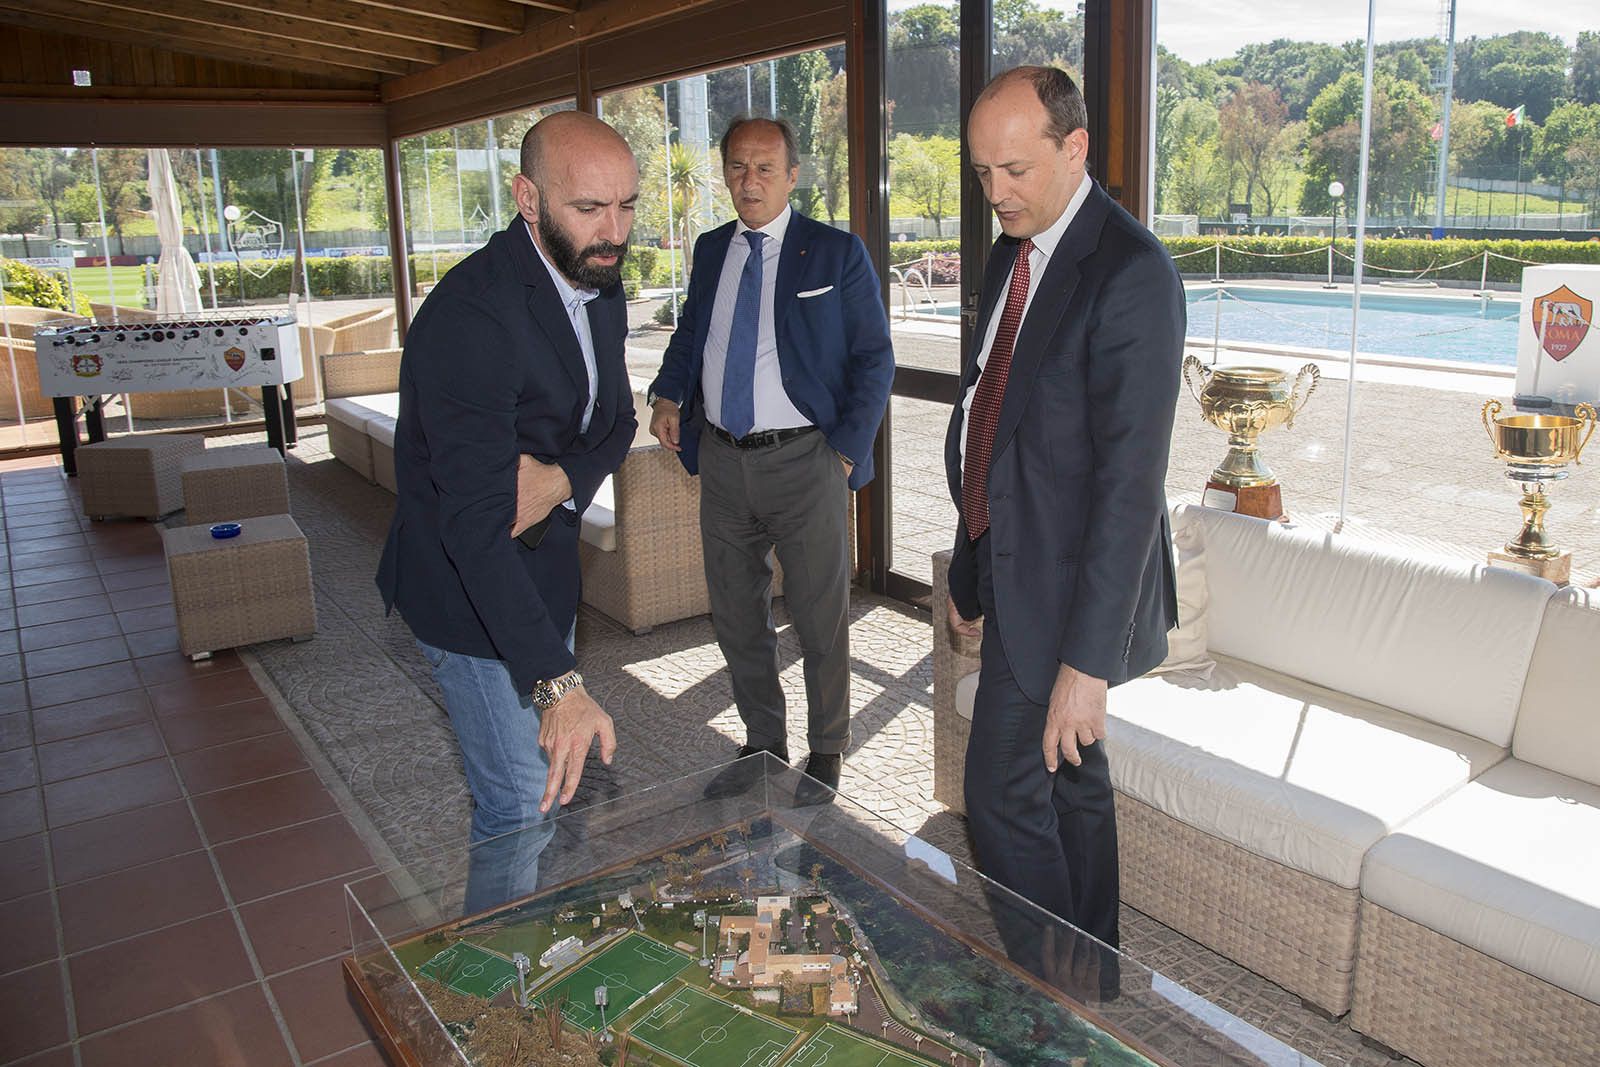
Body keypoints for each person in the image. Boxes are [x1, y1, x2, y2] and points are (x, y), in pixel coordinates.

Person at [945, 66, 1184, 950]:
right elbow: (992, 415)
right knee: (1071, 778)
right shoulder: (1013, 248)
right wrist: (969, 566)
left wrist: (1087, 665)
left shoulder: (1133, 272)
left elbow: (1130, 485)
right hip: (1011, 564)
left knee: (1000, 795)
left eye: (1015, 170)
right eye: (983, 173)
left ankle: (1045, 999)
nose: (996, 193)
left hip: (1070, 592)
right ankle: (1092, 975)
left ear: (1075, 147)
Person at [376, 112, 638, 911]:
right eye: (589, 208)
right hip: (466, 589)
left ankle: (526, 938)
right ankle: (491, 975)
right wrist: (558, 684)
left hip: (543, 566)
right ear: (528, 198)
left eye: (627, 205)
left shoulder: (598, 278)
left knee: (542, 795)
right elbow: (473, 529)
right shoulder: (472, 319)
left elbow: (617, 422)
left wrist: (559, 481)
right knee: (520, 805)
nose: (614, 231)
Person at [648, 116, 894, 802]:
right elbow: (692, 334)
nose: (749, 181)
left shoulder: (836, 252)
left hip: (807, 461)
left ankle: (828, 748)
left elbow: (875, 359)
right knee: (736, 615)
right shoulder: (710, 250)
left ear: (791, 176)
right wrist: (668, 394)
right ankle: (763, 742)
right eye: (737, 167)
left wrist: (842, 454)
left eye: (764, 168)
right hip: (723, 461)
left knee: (820, 618)